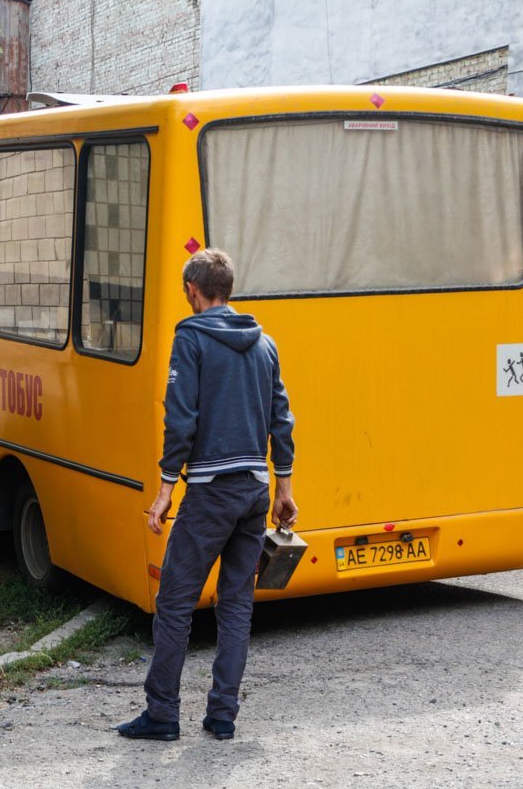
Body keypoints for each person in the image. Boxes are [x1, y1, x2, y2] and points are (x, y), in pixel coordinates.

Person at [117, 248, 297, 742]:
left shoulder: (190, 338)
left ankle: (162, 714)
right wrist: (284, 487)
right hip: (256, 493)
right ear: (229, 289)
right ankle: (222, 716)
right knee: (236, 606)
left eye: (185, 292)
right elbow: (282, 420)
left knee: (175, 603)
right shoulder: (266, 345)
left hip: (212, 493)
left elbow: (181, 419)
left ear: (194, 291)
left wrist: (164, 490)